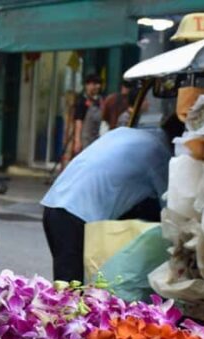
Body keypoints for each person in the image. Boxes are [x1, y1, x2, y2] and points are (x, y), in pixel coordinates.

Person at [41, 115, 183, 282]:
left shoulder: (126, 133)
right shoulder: (159, 153)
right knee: (71, 290)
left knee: (67, 284)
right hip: (77, 215)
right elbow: (171, 209)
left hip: (54, 203)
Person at [73, 73, 104, 155]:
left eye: (98, 84)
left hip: (97, 138)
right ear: (87, 85)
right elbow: (78, 122)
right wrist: (77, 141)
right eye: (94, 84)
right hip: (85, 139)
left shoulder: (100, 100)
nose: (97, 86)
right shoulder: (81, 101)